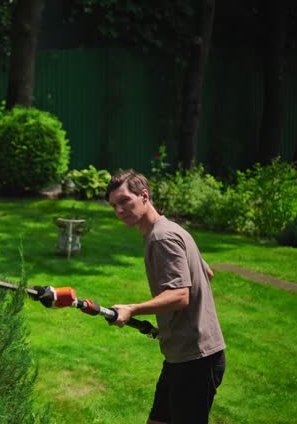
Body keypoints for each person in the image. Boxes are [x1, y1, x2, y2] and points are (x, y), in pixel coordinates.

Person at [104, 169, 226, 424]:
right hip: (182, 355)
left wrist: (132, 309)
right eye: (114, 205)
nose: (119, 210)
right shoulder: (169, 229)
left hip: (196, 359)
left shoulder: (162, 237)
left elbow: (181, 295)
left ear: (144, 196)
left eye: (125, 201)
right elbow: (207, 273)